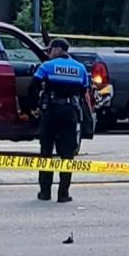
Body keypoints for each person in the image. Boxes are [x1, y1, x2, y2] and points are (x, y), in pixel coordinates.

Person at [30, 38, 90, 203]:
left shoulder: (47, 66)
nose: (48, 53)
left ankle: (45, 192)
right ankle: (63, 193)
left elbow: (33, 86)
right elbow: (84, 92)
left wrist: (34, 107)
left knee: (46, 152)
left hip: (51, 112)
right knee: (67, 155)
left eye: (50, 50)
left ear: (57, 49)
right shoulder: (80, 68)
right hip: (70, 112)